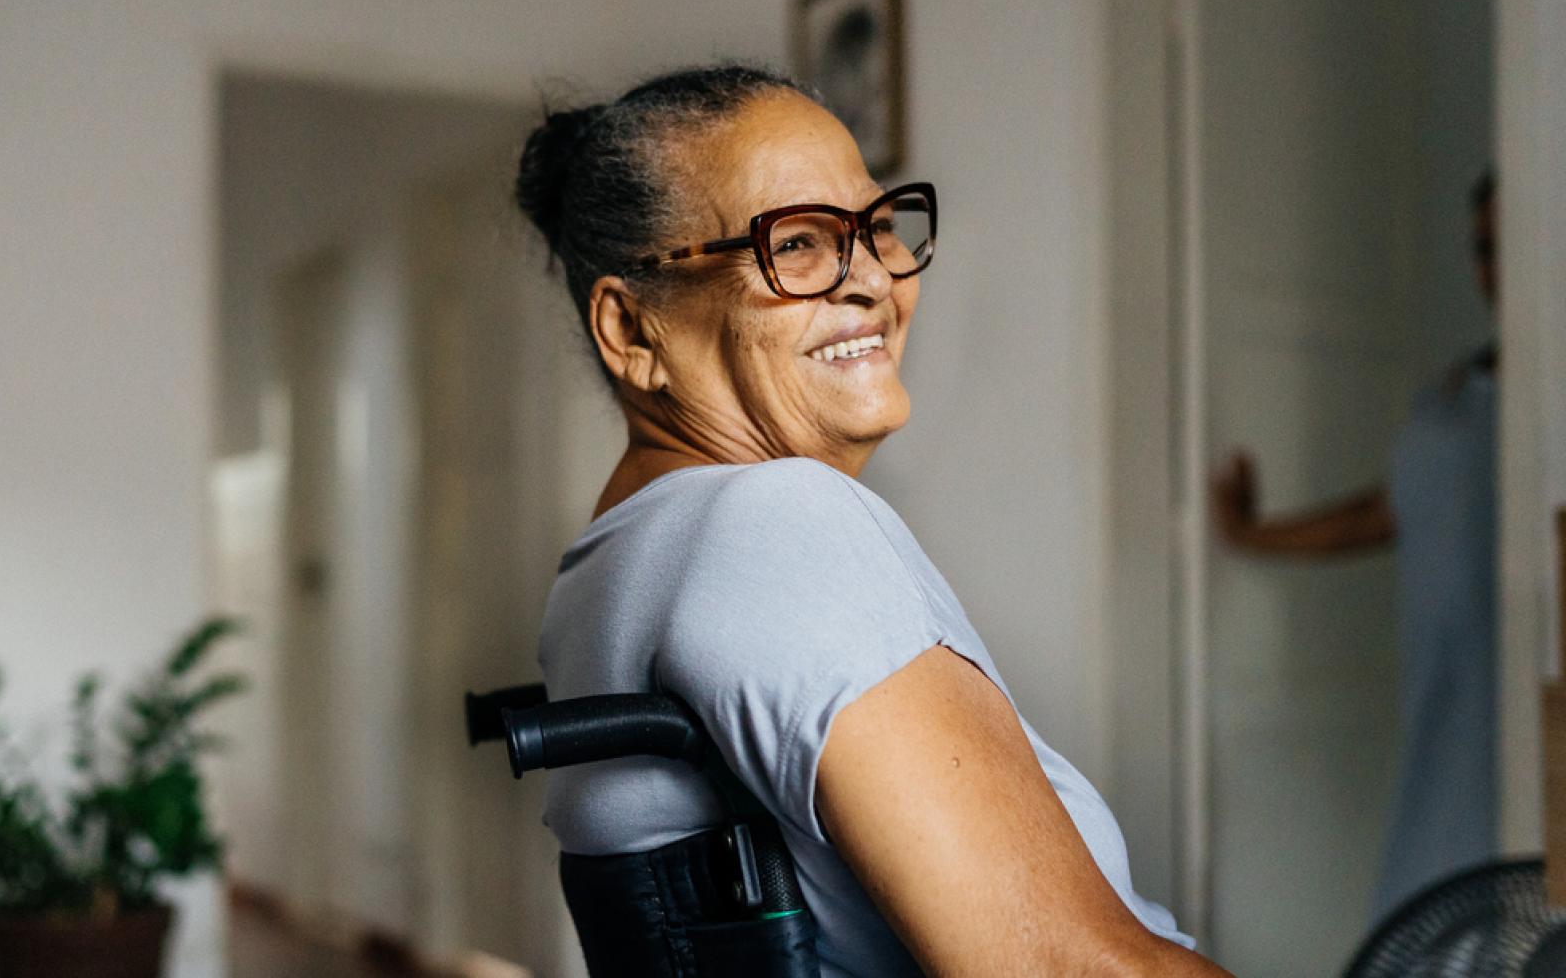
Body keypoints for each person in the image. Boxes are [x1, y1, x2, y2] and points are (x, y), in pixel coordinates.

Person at [515, 64, 1225, 976]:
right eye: (798, 243)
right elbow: (1061, 966)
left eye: (879, 227)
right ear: (634, 332)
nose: (873, 280)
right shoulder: (773, 520)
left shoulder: (608, 567)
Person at [1211, 172, 1499, 922]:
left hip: (1523, 719)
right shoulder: (1455, 391)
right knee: (1431, 916)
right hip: (1446, 720)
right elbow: (1388, 511)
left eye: (1508, 241)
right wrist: (1249, 532)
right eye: (1481, 247)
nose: (1494, 266)